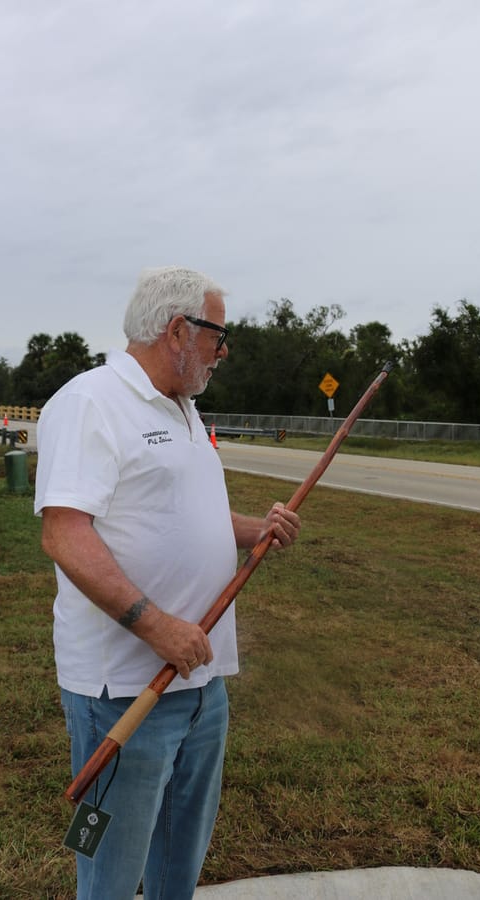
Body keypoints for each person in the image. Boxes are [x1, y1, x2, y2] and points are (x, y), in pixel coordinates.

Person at [34, 266, 301, 900]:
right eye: (218, 336)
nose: (223, 351)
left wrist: (254, 529)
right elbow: (65, 534)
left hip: (202, 680)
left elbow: (186, 516)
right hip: (126, 691)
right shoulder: (90, 402)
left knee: (180, 859)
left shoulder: (186, 410)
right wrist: (158, 628)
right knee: (110, 865)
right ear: (178, 330)